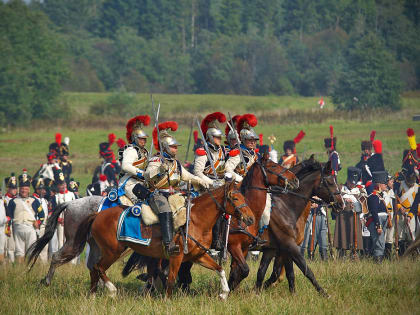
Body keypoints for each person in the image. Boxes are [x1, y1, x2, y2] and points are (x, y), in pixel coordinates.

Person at [144, 121, 209, 257]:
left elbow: (187, 176)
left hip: (173, 195)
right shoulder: (156, 160)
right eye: (173, 147)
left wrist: (201, 181)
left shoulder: (176, 164)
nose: (176, 149)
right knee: (166, 210)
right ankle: (168, 244)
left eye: (176, 147)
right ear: (166, 148)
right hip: (157, 194)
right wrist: (160, 171)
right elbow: (147, 176)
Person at [224, 114, 267, 245]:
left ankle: (261, 233)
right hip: (240, 187)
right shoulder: (238, 153)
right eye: (250, 140)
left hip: (253, 189)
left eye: (254, 140)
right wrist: (241, 179)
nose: (253, 142)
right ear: (243, 140)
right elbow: (228, 169)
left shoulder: (256, 155)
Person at [6, 170, 44, 264]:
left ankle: (30, 271)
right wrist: (8, 228)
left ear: (29, 189)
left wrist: (38, 223)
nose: (24, 190)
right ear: (19, 189)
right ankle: (20, 271)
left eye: (26, 188)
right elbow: (9, 216)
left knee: (31, 251)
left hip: (30, 228)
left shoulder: (34, 201)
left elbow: (42, 215)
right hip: (17, 228)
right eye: (22, 188)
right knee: (19, 252)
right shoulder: (13, 201)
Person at [118, 115, 151, 206]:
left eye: (144, 139)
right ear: (135, 138)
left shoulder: (145, 151)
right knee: (143, 204)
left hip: (141, 183)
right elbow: (125, 166)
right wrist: (141, 173)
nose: (143, 141)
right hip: (129, 183)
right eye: (141, 138)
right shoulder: (131, 150)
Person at [334, 167, 364, 259]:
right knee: (342, 235)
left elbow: (363, 204)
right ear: (347, 180)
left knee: (354, 236)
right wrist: (344, 200)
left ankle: (354, 255)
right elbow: (334, 201)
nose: (352, 185)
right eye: (350, 183)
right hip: (342, 217)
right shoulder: (340, 188)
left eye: (353, 183)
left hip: (354, 218)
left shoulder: (360, 190)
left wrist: (355, 205)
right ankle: (341, 255)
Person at [194, 112, 227, 188]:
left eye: (220, 137)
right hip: (207, 186)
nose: (220, 139)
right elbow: (198, 172)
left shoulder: (222, 150)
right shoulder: (203, 152)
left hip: (222, 184)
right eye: (217, 137)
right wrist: (212, 183)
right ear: (210, 137)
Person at [50, 167, 76, 251]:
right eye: (61, 184)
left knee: (70, 241)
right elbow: (54, 211)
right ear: (58, 186)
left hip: (70, 221)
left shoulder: (72, 195)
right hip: (60, 222)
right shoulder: (56, 197)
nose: (63, 186)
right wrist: (58, 218)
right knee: (60, 242)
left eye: (64, 184)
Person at [366, 171, 389, 263]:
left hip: (382, 220)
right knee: (379, 243)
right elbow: (374, 212)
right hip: (377, 221)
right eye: (384, 184)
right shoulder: (373, 196)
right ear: (379, 184)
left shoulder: (380, 195)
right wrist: (378, 225)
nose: (386, 185)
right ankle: (378, 263)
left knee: (381, 242)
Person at [32, 177, 49, 263]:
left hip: (45, 227)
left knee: (44, 248)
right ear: (37, 189)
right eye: (42, 189)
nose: (44, 191)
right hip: (37, 227)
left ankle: (43, 265)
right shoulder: (33, 199)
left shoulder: (44, 200)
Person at [3, 173, 17, 263]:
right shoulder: (4, 199)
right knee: (6, 247)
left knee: (15, 247)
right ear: (8, 188)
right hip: (7, 226)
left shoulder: (17, 199)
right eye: (12, 188)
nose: (14, 190)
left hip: (17, 225)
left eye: (15, 188)